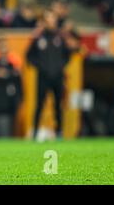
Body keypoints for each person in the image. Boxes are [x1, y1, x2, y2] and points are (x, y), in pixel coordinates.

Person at [27, 10, 71, 141]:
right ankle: (34, 132)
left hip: (58, 77)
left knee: (58, 105)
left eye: (52, 19)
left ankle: (59, 132)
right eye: (48, 19)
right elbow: (29, 56)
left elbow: (67, 56)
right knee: (39, 105)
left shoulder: (60, 38)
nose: (50, 22)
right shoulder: (38, 38)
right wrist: (40, 67)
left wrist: (60, 67)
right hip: (43, 77)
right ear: (44, 22)